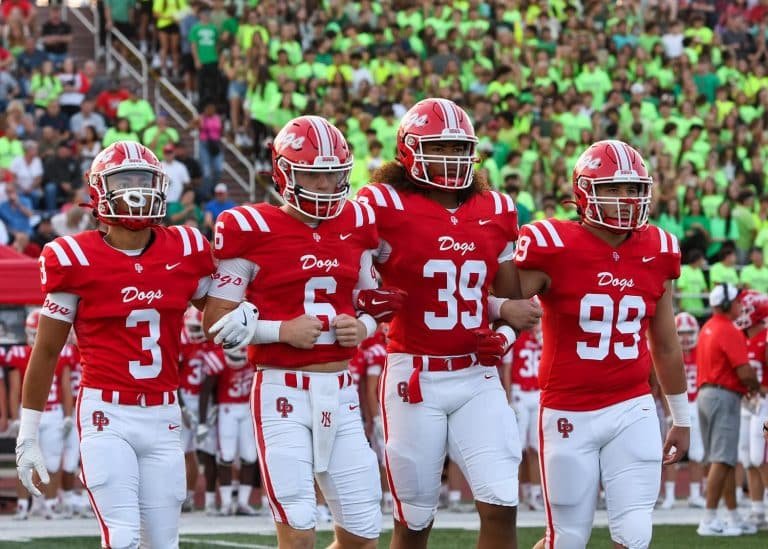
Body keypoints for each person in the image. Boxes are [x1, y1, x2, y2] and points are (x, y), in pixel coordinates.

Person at [356, 98, 537, 549]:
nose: (451, 160)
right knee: (413, 522)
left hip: (476, 374)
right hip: (414, 376)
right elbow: (351, 274)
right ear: (409, 150)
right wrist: (365, 298)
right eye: (440, 148)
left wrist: (503, 321)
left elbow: (514, 300)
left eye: (459, 149)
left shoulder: (495, 207)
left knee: (501, 502)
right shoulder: (382, 203)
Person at [15, 141, 215, 548]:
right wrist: (28, 434)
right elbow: (48, 351)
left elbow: (216, 314)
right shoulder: (74, 257)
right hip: (107, 414)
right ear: (98, 190)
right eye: (125, 181)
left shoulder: (185, 247)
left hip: (164, 413)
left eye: (144, 180)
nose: (136, 190)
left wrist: (247, 318)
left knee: (163, 543)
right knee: (122, 538)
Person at [203, 115, 385, 548]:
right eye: (313, 176)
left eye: (333, 177)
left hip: (342, 392)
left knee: (363, 534)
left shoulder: (357, 223)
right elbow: (215, 323)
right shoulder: (249, 227)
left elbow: (375, 302)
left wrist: (361, 326)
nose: (324, 187)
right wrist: (279, 330)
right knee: (298, 530)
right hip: (282, 391)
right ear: (285, 173)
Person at [515, 139, 690, 549]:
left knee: (634, 534)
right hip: (568, 409)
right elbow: (501, 300)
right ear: (584, 191)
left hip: (633, 405)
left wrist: (681, 417)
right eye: (613, 188)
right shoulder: (551, 243)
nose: (626, 199)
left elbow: (665, 344)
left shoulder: (659, 249)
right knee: (567, 539)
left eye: (633, 188)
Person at [696, 284, 760, 537]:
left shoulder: (709, 327)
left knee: (726, 459)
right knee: (722, 460)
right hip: (723, 395)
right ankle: (708, 518)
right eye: (735, 301)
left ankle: (732, 517)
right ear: (725, 305)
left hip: (708, 393)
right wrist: (757, 388)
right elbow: (744, 370)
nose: (739, 306)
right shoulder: (728, 329)